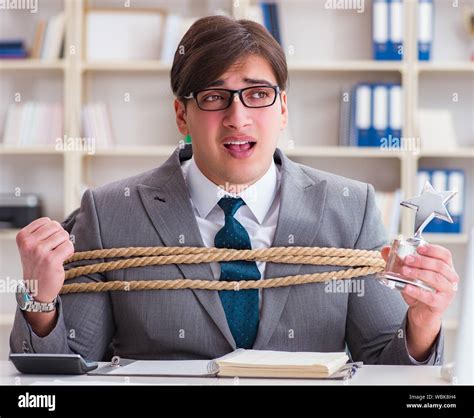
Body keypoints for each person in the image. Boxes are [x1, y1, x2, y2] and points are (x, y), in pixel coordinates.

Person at [10, 16, 457, 363]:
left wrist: (422, 322)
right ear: (182, 116)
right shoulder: (110, 213)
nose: (237, 117)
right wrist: (39, 297)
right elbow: (66, 371)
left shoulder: (350, 209)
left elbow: (386, 364)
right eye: (213, 96)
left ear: (282, 108)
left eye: (257, 94)